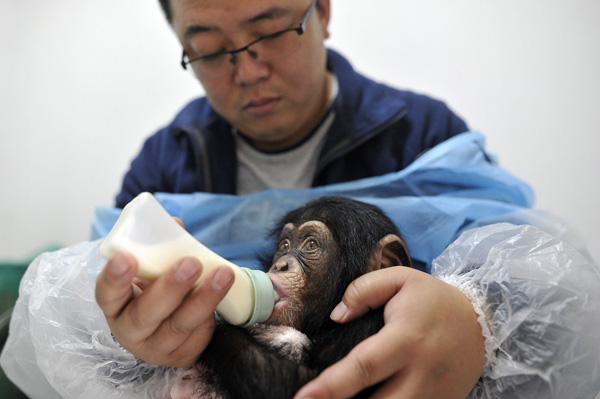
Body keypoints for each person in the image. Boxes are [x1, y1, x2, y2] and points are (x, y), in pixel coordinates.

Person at [90, 1, 598, 399]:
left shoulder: (423, 134)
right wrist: (132, 340)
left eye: (268, 31)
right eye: (207, 47)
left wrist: (478, 318)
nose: (246, 70)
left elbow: (557, 295)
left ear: (323, 11)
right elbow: (81, 326)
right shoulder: (163, 166)